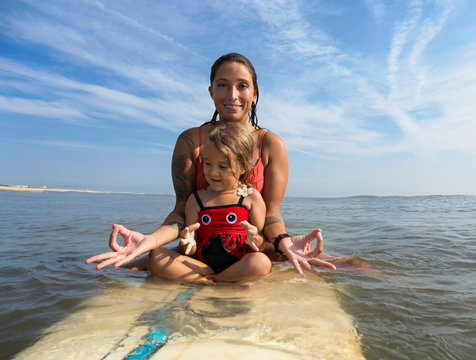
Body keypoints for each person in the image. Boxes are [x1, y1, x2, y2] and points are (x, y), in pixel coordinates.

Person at [86, 52, 336, 279]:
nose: (232, 95)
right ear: (211, 91)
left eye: (242, 86)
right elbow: (181, 212)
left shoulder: (270, 144)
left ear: (255, 93)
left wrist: (283, 240)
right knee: (114, 269)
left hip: (252, 250)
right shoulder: (190, 141)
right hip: (201, 250)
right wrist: (151, 239)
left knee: (349, 265)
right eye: (222, 85)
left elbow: (271, 214)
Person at [147, 122, 269, 282]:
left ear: (244, 166)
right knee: (156, 256)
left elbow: (261, 242)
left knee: (261, 262)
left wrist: (256, 240)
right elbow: (192, 247)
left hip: (239, 264)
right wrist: (187, 244)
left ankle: (214, 281)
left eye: (223, 166)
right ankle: (210, 281)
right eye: (207, 163)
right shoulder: (196, 199)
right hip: (203, 266)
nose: (213, 172)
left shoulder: (250, 196)